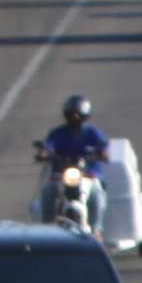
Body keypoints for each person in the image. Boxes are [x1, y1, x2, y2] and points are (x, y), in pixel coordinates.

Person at [36, 95, 112, 224]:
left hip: (89, 174)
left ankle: (96, 229)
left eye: (78, 115)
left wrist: (102, 153)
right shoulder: (58, 133)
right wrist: (44, 153)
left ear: (85, 116)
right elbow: (49, 145)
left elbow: (103, 146)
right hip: (61, 175)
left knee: (97, 195)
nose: (75, 118)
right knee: (48, 191)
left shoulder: (93, 133)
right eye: (72, 114)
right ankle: (47, 226)